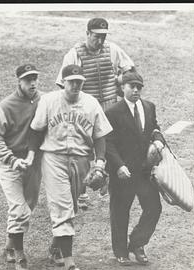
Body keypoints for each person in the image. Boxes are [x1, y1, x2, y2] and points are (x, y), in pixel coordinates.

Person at [28, 64, 112, 270]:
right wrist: (31, 156)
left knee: (72, 205)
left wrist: (100, 162)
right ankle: (69, 262)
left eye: (79, 82)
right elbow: (36, 131)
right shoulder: (48, 101)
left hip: (81, 159)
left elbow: (100, 135)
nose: (75, 85)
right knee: (62, 206)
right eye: (71, 81)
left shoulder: (91, 103)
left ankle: (56, 248)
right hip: (53, 158)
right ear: (63, 82)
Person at [56, 17, 135, 208]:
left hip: (109, 106)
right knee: (82, 149)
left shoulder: (112, 49)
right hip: (86, 108)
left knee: (112, 145)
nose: (100, 41)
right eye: (96, 36)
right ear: (87, 34)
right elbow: (62, 84)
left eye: (103, 36)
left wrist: (120, 81)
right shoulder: (74, 54)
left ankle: (107, 179)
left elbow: (131, 70)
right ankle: (81, 191)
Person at [0, 64, 43, 270]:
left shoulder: (43, 100)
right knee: (19, 209)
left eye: (35, 78)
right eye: (28, 79)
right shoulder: (6, 106)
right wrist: (11, 159)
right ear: (19, 81)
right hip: (9, 164)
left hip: (33, 163)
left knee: (29, 205)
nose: (32, 83)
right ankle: (20, 255)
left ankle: (9, 246)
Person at [105, 71, 165, 266]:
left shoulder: (148, 107)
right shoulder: (112, 112)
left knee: (154, 208)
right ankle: (120, 251)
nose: (136, 90)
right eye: (132, 86)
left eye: (139, 87)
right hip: (122, 172)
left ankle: (137, 243)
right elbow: (108, 143)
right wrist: (119, 165)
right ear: (122, 87)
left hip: (144, 171)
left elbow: (155, 128)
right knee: (120, 211)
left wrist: (157, 140)